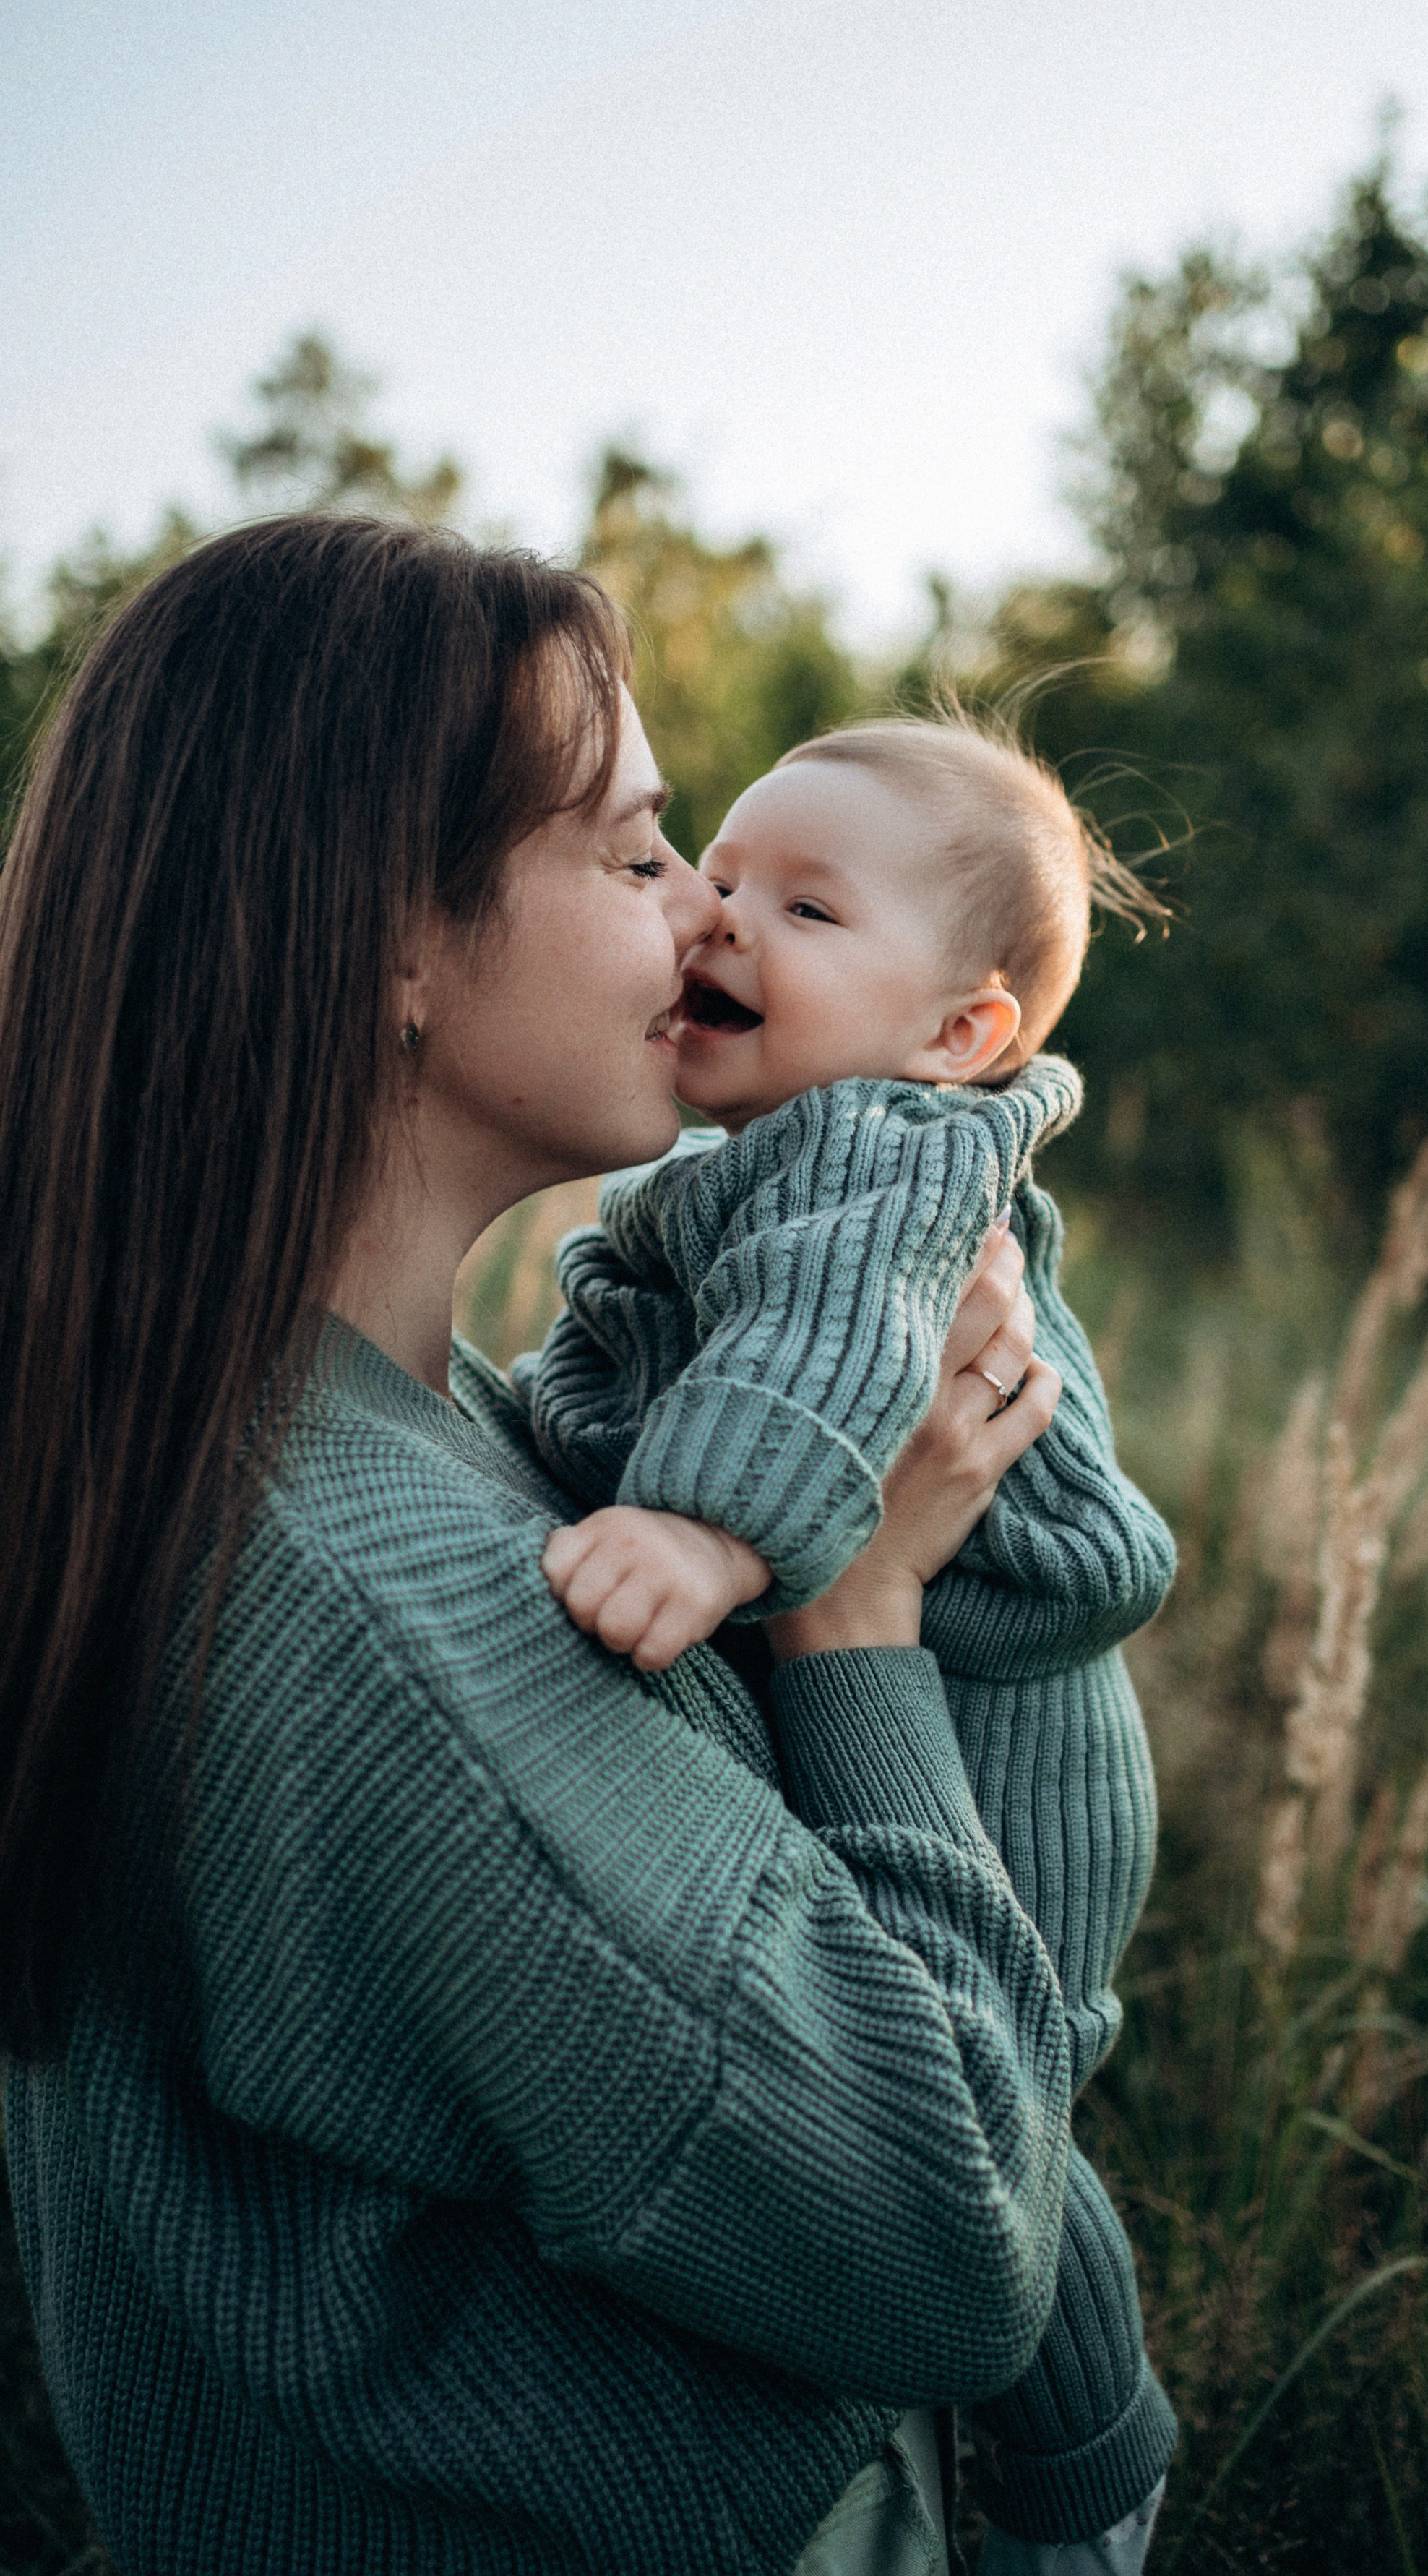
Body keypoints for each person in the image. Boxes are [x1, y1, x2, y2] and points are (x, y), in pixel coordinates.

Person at [0, 515, 1093, 2576]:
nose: (700, 913)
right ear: (390, 945)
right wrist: (858, 1623)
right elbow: (951, 2248)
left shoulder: (383, 1428)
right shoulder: (384, 1600)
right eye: (633, 851)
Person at [523, 719, 1179, 2566]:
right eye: (717, 876)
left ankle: (1083, 2486)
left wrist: (707, 1528)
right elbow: (611, 1353)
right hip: (921, 1681)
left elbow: (827, 1351)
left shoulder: (888, 1150)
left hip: (1003, 1726)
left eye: (805, 906)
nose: (721, 921)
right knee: (979, 2092)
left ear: (960, 1032)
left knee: (998, 2116)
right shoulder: (736, 1162)